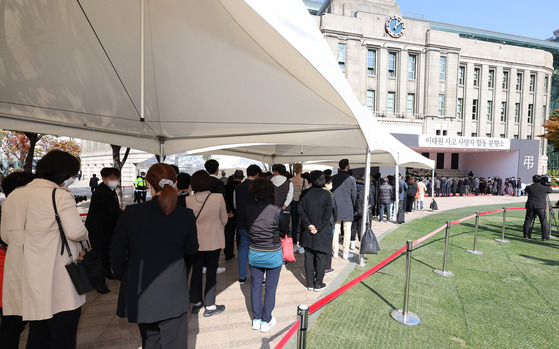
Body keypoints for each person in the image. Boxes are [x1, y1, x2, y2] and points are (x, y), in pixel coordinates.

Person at [1, 150, 87, 348]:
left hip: (24, 277)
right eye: (73, 174)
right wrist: (84, 233)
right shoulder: (59, 195)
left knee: (38, 333)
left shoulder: (13, 197)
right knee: (62, 335)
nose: (73, 179)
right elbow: (75, 232)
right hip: (56, 277)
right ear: (64, 174)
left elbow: (6, 237)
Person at [110, 163, 198, 348]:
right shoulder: (186, 215)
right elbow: (192, 249)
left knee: (150, 341)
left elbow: (116, 253)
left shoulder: (132, 213)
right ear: (174, 184)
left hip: (141, 289)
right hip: (174, 290)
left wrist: (126, 275)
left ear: (149, 184)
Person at [0, 171, 35, 348]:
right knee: (12, 324)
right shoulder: (19, 210)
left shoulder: (6, 207)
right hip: (10, 275)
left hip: (10, 275)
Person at [186, 170, 228, 317]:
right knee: (211, 272)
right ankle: (210, 305)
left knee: (196, 271)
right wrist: (217, 227)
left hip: (195, 241)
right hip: (214, 239)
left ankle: (196, 302)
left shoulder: (188, 200)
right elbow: (224, 218)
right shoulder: (218, 197)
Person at [245, 178, 284, 332]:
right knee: (270, 288)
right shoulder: (277, 210)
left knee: (255, 286)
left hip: (255, 252)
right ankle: (266, 320)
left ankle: (256, 319)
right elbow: (284, 231)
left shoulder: (248, 209)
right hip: (273, 254)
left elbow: (246, 227)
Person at [85, 167, 122, 293]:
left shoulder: (109, 190)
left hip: (107, 228)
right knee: (100, 256)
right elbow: (114, 211)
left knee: (106, 254)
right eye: (112, 178)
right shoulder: (102, 192)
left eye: (116, 178)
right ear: (104, 179)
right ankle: (99, 283)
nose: (115, 180)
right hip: (98, 230)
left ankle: (107, 273)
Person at [299, 171, 334, 292]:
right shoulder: (327, 195)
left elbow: (301, 212)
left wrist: (309, 225)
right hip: (322, 231)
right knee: (320, 256)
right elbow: (327, 215)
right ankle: (318, 283)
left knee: (308, 256)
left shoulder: (304, 194)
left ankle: (309, 283)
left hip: (307, 230)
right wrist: (317, 227)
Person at [235, 165, 262, 284]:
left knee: (243, 247)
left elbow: (235, 204)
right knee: (258, 249)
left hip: (242, 221)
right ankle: (259, 277)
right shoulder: (259, 187)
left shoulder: (238, 187)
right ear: (257, 175)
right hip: (257, 222)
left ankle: (242, 276)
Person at [331, 159, 357, 260]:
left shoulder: (334, 178)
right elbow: (354, 196)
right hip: (348, 207)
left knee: (336, 230)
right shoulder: (351, 179)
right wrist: (356, 208)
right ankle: (345, 252)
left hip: (336, 207)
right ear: (346, 166)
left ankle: (335, 251)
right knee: (347, 230)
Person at [523, 175, 553, 240]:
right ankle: (544, 237)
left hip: (531, 205)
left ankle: (526, 235)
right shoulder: (544, 188)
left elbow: (526, 189)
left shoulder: (529, 187)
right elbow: (550, 190)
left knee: (528, 220)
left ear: (533, 180)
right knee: (543, 221)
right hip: (540, 206)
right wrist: (546, 184)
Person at [224, 170, 244, 260]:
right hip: (240, 214)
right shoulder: (242, 187)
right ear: (242, 178)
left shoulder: (226, 187)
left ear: (234, 177)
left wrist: (228, 211)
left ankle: (228, 253)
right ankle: (241, 253)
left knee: (228, 235)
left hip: (228, 213)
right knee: (240, 235)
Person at [271, 164, 293, 238]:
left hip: (271, 211)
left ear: (276, 172)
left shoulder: (270, 182)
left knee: (273, 234)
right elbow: (289, 197)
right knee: (283, 235)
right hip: (285, 212)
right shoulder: (289, 183)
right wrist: (282, 208)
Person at [290, 163, 306, 254]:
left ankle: (294, 244)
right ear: (301, 170)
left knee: (294, 226)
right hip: (302, 204)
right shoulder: (304, 180)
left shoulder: (290, 180)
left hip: (293, 203)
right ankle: (302, 246)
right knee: (303, 226)